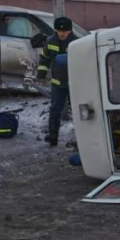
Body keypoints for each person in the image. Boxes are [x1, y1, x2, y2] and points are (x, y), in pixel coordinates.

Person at [36, 16, 77, 146]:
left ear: (70, 31)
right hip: (57, 83)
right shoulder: (50, 41)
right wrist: (40, 75)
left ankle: (80, 139)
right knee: (54, 110)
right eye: (59, 31)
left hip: (74, 83)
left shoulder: (76, 43)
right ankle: (53, 137)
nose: (62, 33)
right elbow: (44, 59)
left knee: (77, 111)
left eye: (65, 31)